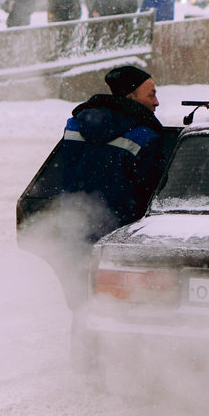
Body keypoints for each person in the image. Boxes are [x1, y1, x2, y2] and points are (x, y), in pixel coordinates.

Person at [51, 65, 166, 309]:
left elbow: (60, 174)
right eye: (151, 94)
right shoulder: (145, 138)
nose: (156, 102)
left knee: (81, 302)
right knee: (119, 308)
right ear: (130, 97)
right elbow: (152, 192)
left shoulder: (74, 126)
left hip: (75, 228)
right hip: (119, 236)